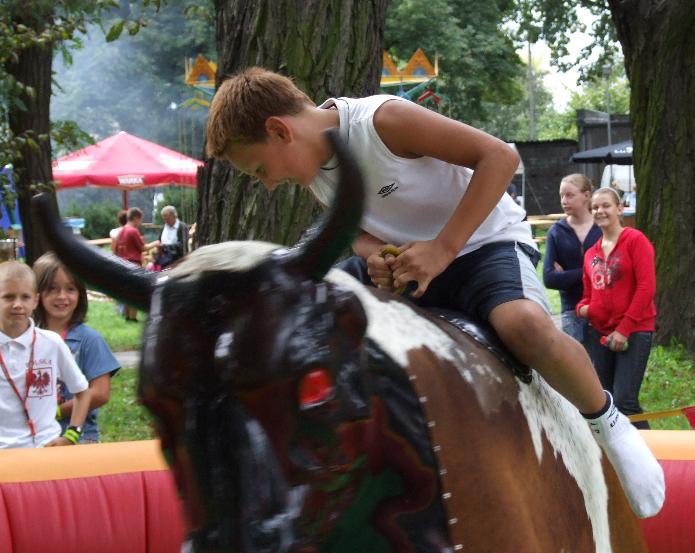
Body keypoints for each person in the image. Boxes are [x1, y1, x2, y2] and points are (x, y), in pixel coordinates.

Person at [204, 67, 664, 520]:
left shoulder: (382, 122)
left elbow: (500, 157)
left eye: (260, 169)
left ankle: (608, 422)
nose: (266, 183)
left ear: (279, 129)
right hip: (417, 262)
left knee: (522, 324)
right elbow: (358, 232)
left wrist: (444, 247)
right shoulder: (316, 173)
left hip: (485, 243)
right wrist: (374, 256)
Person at [0, 261, 91, 450]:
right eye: (8, 297)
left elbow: (82, 392)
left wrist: (72, 434)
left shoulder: (52, 342)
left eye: (25, 297)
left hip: (47, 451)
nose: (18, 304)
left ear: (35, 300)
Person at [575, 187, 656, 429]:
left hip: (634, 330)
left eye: (606, 205)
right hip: (598, 335)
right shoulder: (591, 253)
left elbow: (646, 287)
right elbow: (586, 296)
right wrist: (584, 309)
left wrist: (624, 329)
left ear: (619, 209)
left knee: (625, 401)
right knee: (603, 402)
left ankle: (651, 456)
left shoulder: (635, 240)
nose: (600, 211)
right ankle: (613, 459)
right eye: (595, 207)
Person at [32, 253, 121, 443]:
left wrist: (54, 412)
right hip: (35, 437)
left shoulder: (90, 339)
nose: (62, 296)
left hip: (79, 438)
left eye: (70, 289)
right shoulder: (29, 339)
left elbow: (100, 393)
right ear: (36, 294)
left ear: (80, 294)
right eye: (52, 289)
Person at [543, 173, 600, 343]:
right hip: (571, 310)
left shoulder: (601, 229)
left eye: (569, 195)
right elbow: (550, 278)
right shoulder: (556, 232)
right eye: (561, 195)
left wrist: (567, 274)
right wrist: (589, 270)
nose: (564, 201)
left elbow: (608, 267)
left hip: (602, 308)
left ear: (586, 195)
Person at [114, 207, 156, 321]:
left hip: (122, 263)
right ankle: (133, 317)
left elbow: (116, 249)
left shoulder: (121, 230)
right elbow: (143, 247)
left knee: (127, 292)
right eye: (140, 219)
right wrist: (156, 243)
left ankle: (128, 316)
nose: (140, 223)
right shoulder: (133, 230)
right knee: (134, 291)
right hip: (133, 264)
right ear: (136, 218)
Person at [149, 205, 190, 270]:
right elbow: (159, 240)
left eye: (167, 218)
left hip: (178, 262)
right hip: (164, 261)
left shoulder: (182, 227)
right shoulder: (163, 227)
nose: (166, 221)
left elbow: (182, 245)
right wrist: (156, 248)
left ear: (174, 216)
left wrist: (165, 246)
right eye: (164, 219)